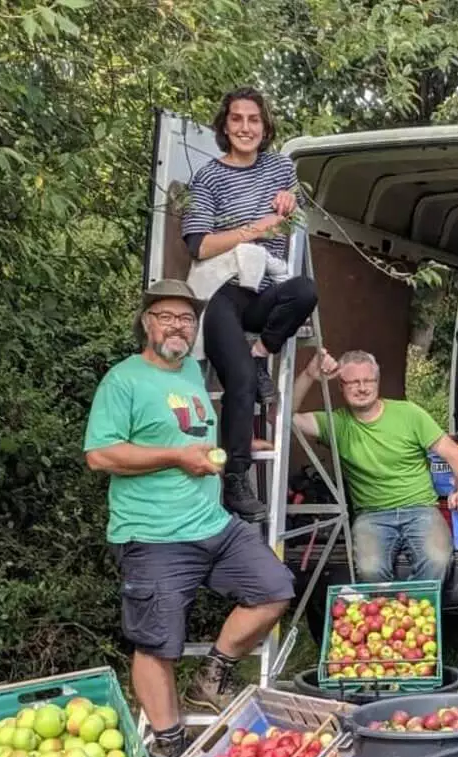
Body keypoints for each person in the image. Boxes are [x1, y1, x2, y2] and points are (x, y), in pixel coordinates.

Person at [84, 279, 296, 757]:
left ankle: (213, 673)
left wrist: (235, 449)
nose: (177, 326)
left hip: (212, 524)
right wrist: (178, 459)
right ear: (147, 323)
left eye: (186, 319)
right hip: (154, 535)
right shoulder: (124, 380)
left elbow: (192, 434)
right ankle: (170, 744)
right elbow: (100, 455)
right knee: (156, 645)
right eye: (167, 316)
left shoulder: (189, 376)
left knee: (274, 587)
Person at [181, 86, 319, 524]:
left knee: (305, 291)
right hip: (225, 287)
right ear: (225, 126)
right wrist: (253, 229)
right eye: (237, 119)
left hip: (265, 283)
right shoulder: (209, 176)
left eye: (253, 119)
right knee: (237, 380)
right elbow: (198, 245)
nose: (245, 127)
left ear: (265, 126)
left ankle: (263, 354)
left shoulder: (281, 167)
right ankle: (236, 478)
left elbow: (294, 209)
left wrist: (290, 201)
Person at [292, 348, 458, 582]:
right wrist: (309, 374)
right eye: (353, 382)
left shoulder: (409, 414)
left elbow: (455, 455)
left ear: (377, 382)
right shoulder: (335, 422)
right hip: (372, 514)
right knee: (370, 570)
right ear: (341, 386)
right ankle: (387, 616)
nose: (362, 388)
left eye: (368, 380)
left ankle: (414, 615)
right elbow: (280, 416)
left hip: (420, 508)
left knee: (437, 560)